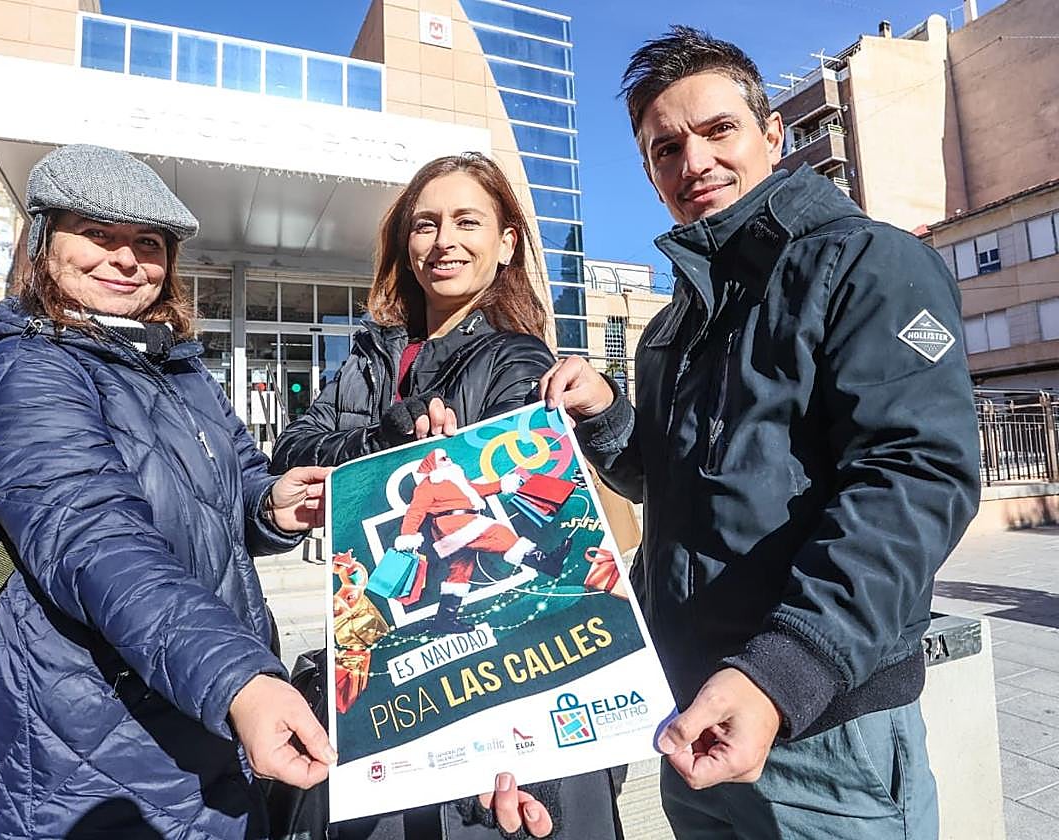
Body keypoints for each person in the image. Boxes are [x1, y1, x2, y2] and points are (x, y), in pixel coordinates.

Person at [540, 27, 981, 840]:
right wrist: (606, 414)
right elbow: (672, 484)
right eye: (665, 148)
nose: (693, 162)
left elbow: (915, 480)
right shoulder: (675, 323)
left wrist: (783, 673)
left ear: (773, 134)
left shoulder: (863, 263)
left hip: (821, 727)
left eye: (718, 131)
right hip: (696, 718)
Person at [0, 144, 336, 840]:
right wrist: (239, 681)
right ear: (40, 243)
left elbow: (230, 483)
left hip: (200, 697)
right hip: (96, 734)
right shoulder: (26, 371)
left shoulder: (177, 370)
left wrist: (269, 503)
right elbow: (96, 542)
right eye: (97, 236)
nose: (125, 259)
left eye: (147, 243)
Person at [273, 152, 621, 839]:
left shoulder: (517, 361)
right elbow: (293, 449)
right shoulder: (373, 355)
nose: (444, 242)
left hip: (478, 695)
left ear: (506, 242)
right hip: (384, 681)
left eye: (468, 221)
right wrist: (383, 441)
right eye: (425, 224)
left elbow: (526, 521)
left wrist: (536, 759)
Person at [394, 448, 564, 635]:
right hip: (454, 526)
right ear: (433, 465)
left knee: (460, 571)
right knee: (500, 533)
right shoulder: (428, 485)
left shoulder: (457, 479)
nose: (448, 459)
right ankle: (548, 563)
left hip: (458, 527)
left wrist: (503, 484)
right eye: (443, 458)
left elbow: (479, 490)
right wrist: (408, 535)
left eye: (448, 456)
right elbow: (415, 511)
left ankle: (444, 620)